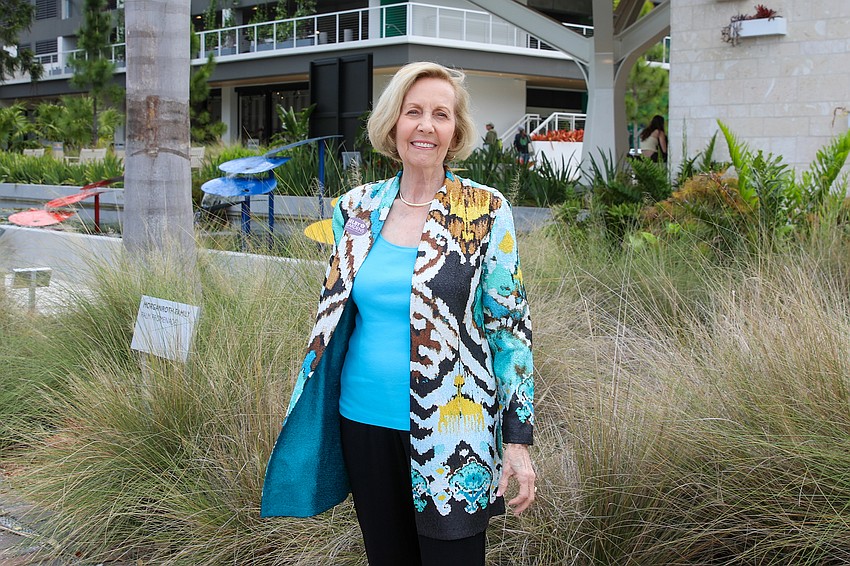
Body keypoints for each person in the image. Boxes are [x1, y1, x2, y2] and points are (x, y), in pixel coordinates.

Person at [261, 61, 535, 566]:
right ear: (393, 124)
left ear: (456, 130)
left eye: (440, 114)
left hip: (456, 431)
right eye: (414, 112)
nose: (426, 126)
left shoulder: (486, 210)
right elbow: (336, 315)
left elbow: (510, 330)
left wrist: (517, 440)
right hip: (362, 421)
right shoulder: (356, 208)